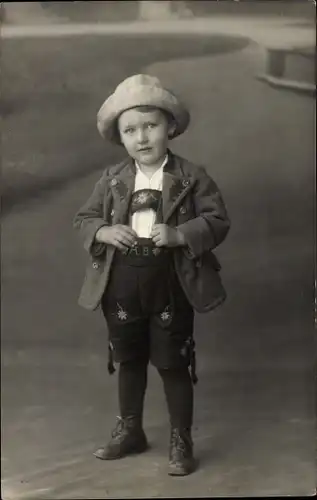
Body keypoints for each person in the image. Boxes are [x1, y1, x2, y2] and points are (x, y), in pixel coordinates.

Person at [73, 74, 230, 476]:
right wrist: (105, 231)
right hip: (123, 280)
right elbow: (84, 219)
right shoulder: (111, 180)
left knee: (172, 361)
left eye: (150, 125)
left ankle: (181, 438)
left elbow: (218, 220)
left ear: (170, 127)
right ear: (120, 137)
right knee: (128, 357)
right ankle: (130, 429)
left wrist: (180, 234)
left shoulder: (192, 177)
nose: (141, 137)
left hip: (171, 279)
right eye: (130, 130)